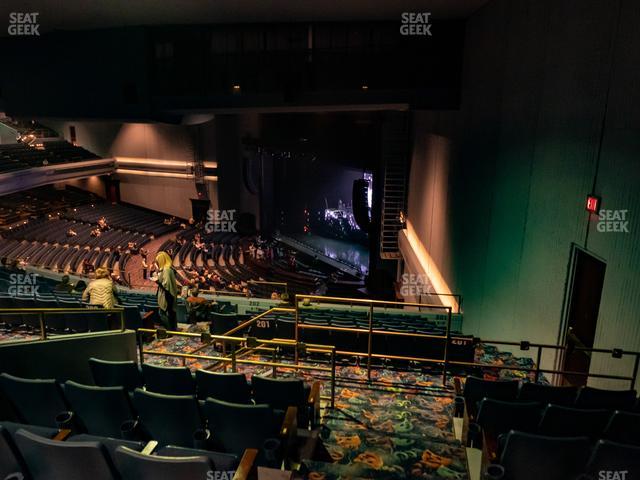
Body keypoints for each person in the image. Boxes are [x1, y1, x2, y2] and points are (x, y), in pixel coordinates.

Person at [153, 251, 178, 330]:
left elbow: (166, 285)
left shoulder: (166, 269)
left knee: (163, 313)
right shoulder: (167, 268)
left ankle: (170, 330)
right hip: (168, 294)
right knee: (171, 313)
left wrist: (156, 281)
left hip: (167, 295)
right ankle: (173, 329)